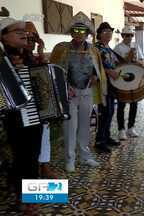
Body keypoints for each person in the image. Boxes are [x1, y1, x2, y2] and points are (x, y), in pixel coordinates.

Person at [50, 12, 107, 172]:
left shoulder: (94, 51)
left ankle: (85, 156)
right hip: (69, 94)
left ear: (88, 34)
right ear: (71, 32)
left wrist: (96, 77)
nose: (79, 34)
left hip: (87, 91)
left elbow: (99, 70)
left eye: (82, 31)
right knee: (70, 126)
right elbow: (53, 71)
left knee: (85, 125)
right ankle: (70, 159)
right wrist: (64, 87)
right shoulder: (61, 49)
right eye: (75, 31)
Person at [0, 17, 42, 213]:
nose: (23, 34)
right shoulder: (2, 59)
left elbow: (41, 82)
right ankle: (21, 195)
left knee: (33, 155)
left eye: (24, 31)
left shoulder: (29, 56)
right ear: (4, 37)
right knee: (21, 157)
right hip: (13, 118)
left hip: (34, 115)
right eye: (17, 31)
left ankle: (32, 196)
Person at [23, 21, 56, 178]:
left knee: (45, 129)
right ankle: (34, 175)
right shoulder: (15, 57)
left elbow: (44, 73)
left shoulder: (31, 56)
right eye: (26, 38)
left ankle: (44, 166)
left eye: (33, 39)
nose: (29, 42)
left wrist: (41, 50)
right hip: (22, 108)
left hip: (36, 105)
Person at [113, 25, 144, 140]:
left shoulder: (136, 46)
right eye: (127, 35)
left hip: (135, 78)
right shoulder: (118, 48)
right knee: (121, 105)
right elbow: (115, 65)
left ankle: (131, 127)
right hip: (122, 79)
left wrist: (138, 62)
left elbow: (141, 60)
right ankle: (121, 129)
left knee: (134, 103)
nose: (129, 37)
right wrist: (127, 57)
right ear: (122, 36)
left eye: (131, 35)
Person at [94, 22, 121, 152]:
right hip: (102, 85)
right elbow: (93, 67)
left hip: (111, 85)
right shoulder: (96, 48)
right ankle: (100, 141)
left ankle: (107, 136)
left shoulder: (108, 48)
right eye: (105, 32)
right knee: (104, 113)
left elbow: (115, 64)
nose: (109, 34)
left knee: (110, 111)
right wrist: (109, 71)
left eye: (110, 31)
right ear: (99, 34)